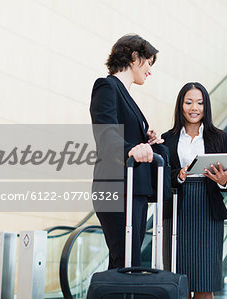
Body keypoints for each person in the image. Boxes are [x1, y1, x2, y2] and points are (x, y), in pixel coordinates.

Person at [90, 34, 162, 269]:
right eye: (148, 62)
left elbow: (125, 138)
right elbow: (106, 133)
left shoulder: (125, 94)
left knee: (126, 263)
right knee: (125, 262)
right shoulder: (107, 86)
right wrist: (132, 149)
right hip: (117, 189)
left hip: (133, 190)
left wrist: (147, 142)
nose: (150, 70)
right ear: (134, 57)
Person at [162, 82, 227, 299]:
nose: (195, 108)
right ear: (180, 105)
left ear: (206, 107)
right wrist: (179, 175)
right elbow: (162, 176)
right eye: (189, 102)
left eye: (200, 103)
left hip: (208, 211)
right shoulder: (168, 138)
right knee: (177, 278)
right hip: (177, 208)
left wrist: (223, 180)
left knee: (204, 280)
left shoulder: (218, 137)